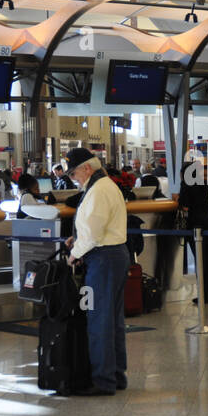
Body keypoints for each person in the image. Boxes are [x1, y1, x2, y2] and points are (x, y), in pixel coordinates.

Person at [65, 147, 129, 396]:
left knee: (98, 319)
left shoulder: (99, 190)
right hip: (111, 257)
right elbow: (93, 227)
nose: (74, 178)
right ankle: (116, 375)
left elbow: (93, 234)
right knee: (112, 319)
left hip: (102, 260)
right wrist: (77, 240)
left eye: (74, 173)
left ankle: (102, 380)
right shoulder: (101, 186)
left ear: (87, 168)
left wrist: (74, 253)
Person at [178, 154, 208, 305]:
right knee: (207, 259)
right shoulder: (203, 184)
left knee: (200, 260)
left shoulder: (186, 184)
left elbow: (184, 204)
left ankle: (204, 294)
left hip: (195, 223)